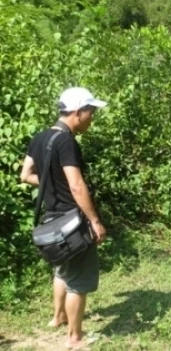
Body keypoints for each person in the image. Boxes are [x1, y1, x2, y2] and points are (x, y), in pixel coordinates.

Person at [20, 87, 107, 349]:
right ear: (78, 112)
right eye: (91, 112)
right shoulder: (67, 141)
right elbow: (77, 185)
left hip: (52, 220)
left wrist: (51, 187)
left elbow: (26, 175)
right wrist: (94, 221)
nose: (92, 118)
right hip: (74, 222)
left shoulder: (40, 137)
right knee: (78, 282)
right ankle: (75, 338)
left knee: (62, 270)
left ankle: (57, 318)